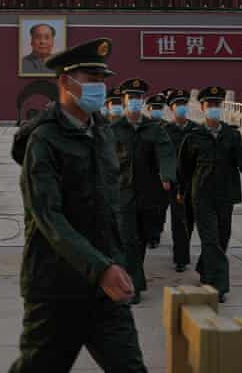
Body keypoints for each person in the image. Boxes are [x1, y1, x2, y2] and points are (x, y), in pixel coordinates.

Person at [9, 38, 148, 373]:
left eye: (103, 80)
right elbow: (49, 217)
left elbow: (108, 206)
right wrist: (100, 268)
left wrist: (116, 261)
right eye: (91, 79)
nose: (99, 87)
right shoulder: (44, 139)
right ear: (65, 81)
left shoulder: (102, 130)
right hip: (57, 287)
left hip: (104, 289)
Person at [178, 86, 242, 303]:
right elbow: (184, 167)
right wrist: (181, 191)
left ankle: (206, 269)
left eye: (216, 105)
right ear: (202, 107)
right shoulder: (194, 136)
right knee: (210, 238)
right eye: (209, 105)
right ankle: (217, 286)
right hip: (201, 194)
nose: (213, 108)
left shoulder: (232, 135)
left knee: (222, 238)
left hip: (226, 193)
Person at [109, 79, 176, 305]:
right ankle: (134, 286)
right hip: (123, 194)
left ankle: (134, 277)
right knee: (128, 239)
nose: (135, 102)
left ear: (143, 101)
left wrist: (166, 175)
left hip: (149, 194)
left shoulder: (154, 129)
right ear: (124, 101)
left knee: (142, 238)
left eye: (138, 98)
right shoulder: (113, 129)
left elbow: (166, 152)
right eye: (131, 99)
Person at [162, 89, 200, 272]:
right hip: (174, 182)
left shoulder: (196, 130)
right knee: (179, 219)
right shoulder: (165, 131)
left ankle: (182, 251)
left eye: (184, 105)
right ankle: (181, 258)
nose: (182, 108)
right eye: (178, 105)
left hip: (193, 181)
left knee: (189, 218)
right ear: (172, 108)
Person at [145, 93, 171, 248]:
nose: (156, 110)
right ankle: (150, 234)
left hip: (163, 175)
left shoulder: (168, 127)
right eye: (154, 107)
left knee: (161, 206)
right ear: (148, 109)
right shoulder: (143, 127)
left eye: (159, 108)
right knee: (147, 206)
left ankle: (156, 233)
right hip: (146, 173)